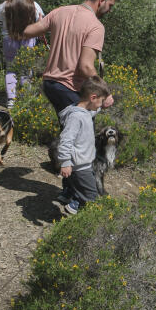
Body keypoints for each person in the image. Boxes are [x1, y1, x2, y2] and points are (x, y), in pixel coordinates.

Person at [22, 0, 119, 118]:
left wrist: (15, 14)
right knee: (81, 133)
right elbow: (85, 66)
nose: (110, 10)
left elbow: (27, 31)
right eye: (110, 5)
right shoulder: (96, 26)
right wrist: (105, 92)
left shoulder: (60, 11)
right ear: (101, 0)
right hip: (69, 87)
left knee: (70, 130)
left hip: (49, 84)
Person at [56, 76, 111, 214]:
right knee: (92, 195)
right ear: (93, 98)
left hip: (82, 164)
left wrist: (102, 106)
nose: (101, 104)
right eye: (101, 101)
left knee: (83, 191)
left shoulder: (84, 111)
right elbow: (65, 140)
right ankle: (75, 213)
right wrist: (65, 162)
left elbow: (92, 110)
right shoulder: (76, 117)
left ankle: (73, 202)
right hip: (79, 167)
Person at [0, 0, 44, 108]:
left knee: (11, 69)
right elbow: (41, 21)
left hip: (9, 39)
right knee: (26, 69)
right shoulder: (34, 5)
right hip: (28, 39)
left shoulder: (4, 6)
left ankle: (11, 99)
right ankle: (26, 96)